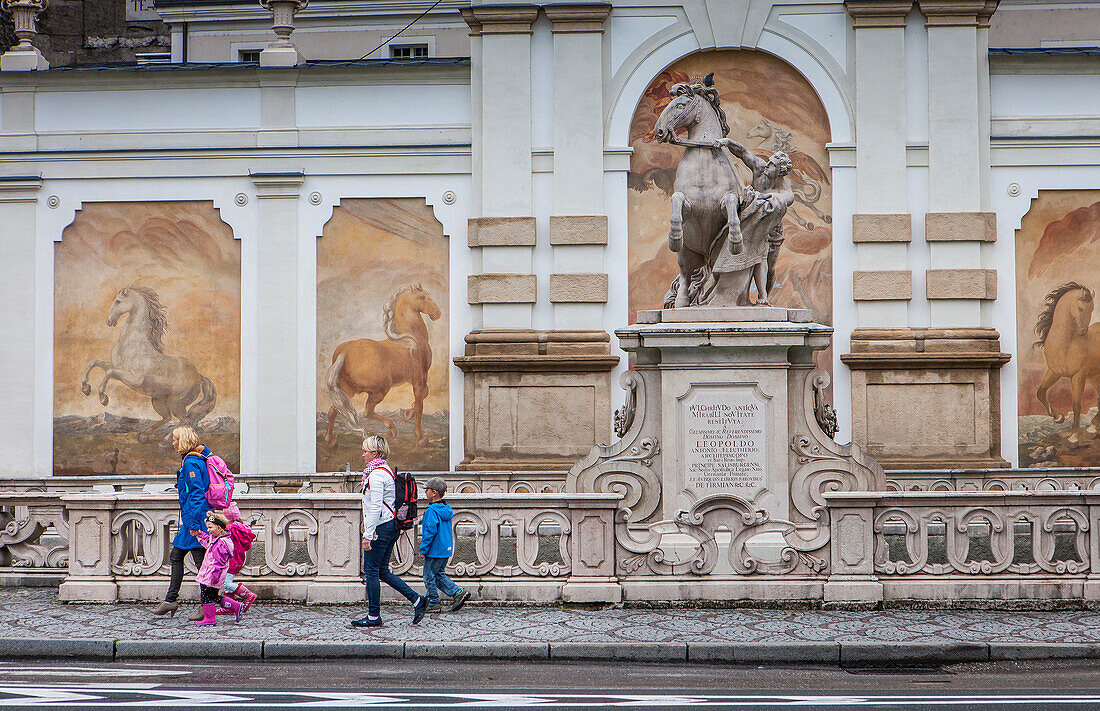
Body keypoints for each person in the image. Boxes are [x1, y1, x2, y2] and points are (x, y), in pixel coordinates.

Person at [351, 434, 427, 628]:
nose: (363, 454)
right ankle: (418, 600)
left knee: (371, 571)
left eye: (366, 451)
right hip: (390, 525)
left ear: (375, 453)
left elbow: (375, 507)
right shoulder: (385, 471)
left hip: (381, 527)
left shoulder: (376, 475)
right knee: (382, 570)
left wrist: (368, 535)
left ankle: (374, 616)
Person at [152, 426, 213, 620]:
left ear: (183, 440)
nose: (173, 443)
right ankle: (171, 600)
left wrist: (194, 523)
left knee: (200, 564)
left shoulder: (191, 462)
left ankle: (208, 604)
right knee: (178, 556)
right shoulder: (195, 460)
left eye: (175, 439)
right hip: (192, 519)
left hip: (194, 521)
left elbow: (197, 494)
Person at [419, 478, 471, 613]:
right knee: (438, 574)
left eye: (427, 490)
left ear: (434, 492)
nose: (426, 492)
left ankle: (435, 601)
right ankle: (457, 593)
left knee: (428, 575)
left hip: (434, 550)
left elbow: (430, 531)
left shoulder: (431, 510)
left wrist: (423, 549)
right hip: (445, 548)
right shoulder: (446, 509)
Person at [189, 511, 245, 626]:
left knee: (206, 597)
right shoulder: (217, 539)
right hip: (211, 574)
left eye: (210, 527)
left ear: (219, 528)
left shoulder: (220, 543)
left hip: (211, 575)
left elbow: (218, 563)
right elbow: (207, 542)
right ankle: (236, 606)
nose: (208, 530)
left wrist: (214, 576)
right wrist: (199, 534)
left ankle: (210, 619)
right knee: (213, 596)